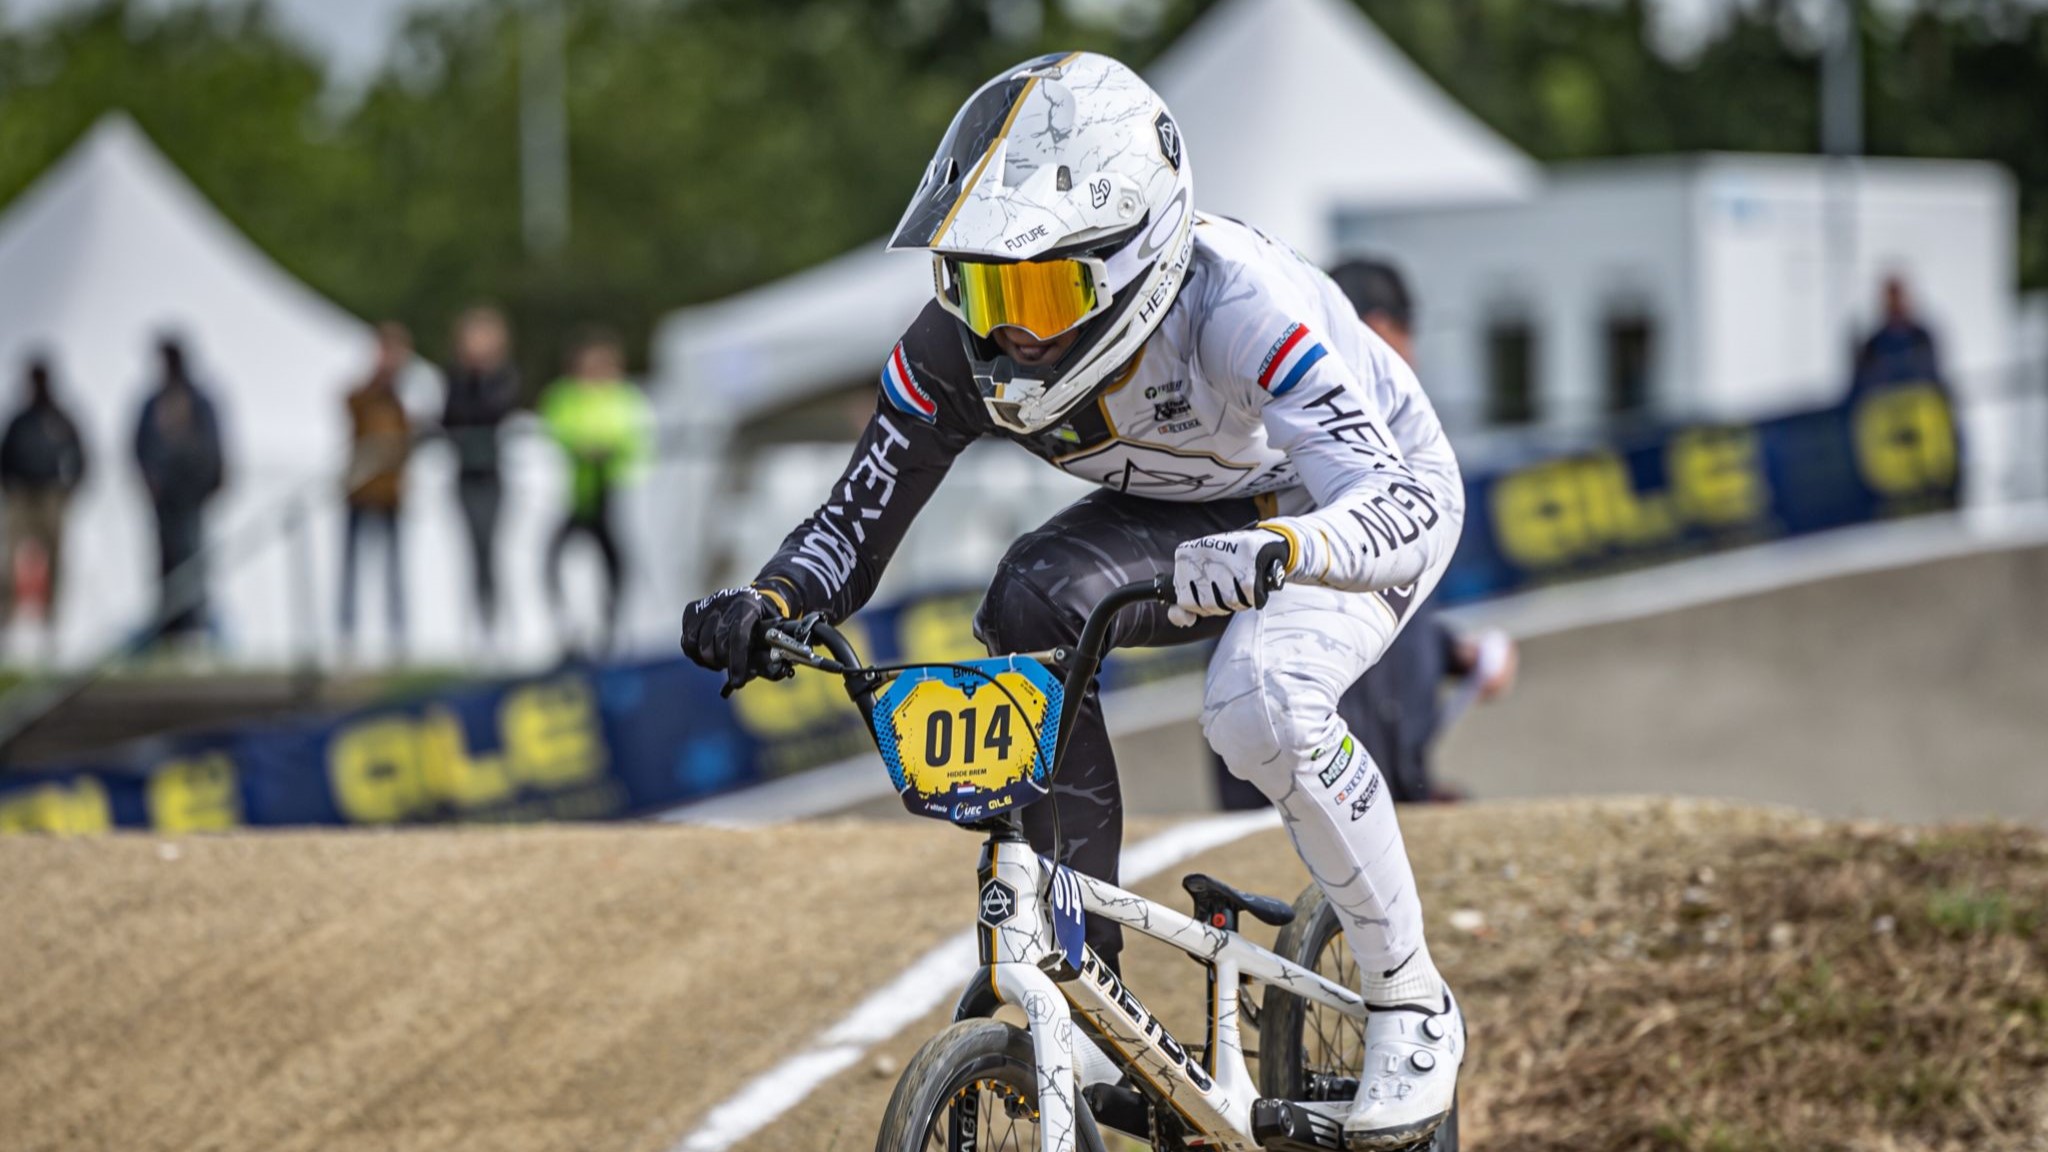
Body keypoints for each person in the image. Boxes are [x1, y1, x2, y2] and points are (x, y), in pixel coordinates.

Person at [682, 54, 1466, 1144]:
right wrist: (771, 600)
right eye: (979, 286)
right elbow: (857, 514)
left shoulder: (1237, 309)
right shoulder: (958, 347)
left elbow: (1395, 500)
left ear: (1132, 262)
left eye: (1037, 291)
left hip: (1349, 503)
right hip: (1193, 514)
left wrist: (1285, 547)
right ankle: (1080, 973)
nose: (1002, 330)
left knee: (1255, 701)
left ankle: (1410, 998)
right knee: (1029, 603)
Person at [1210, 259, 1518, 810]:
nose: (1410, 370)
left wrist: (1457, 654)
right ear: (1374, 333)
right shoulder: (1289, 458)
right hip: (1298, 802)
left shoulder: (1389, 450)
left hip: (1382, 785)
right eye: (1400, 348)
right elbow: (1318, 607)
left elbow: (1383, 597)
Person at [539, 331, 650, 654]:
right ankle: (567, 625)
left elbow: (634, 436)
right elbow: (557, 429)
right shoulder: (564, 395)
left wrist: (608, 450)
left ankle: (613, 624)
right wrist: (582, 447)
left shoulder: (625, 396)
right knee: (558, 560)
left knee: (615, 562)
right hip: (570, 494)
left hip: (611, 491)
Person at [133, 337, 226, 645]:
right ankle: (168, 626)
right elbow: (139, 447)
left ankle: (193, 623)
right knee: (165, 559)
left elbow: (212, 448)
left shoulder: (196, 401)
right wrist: (151, 483)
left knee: (192, 557)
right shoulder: (155, 401)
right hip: (165, 499)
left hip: (192, 496)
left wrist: (209, 483)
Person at [441, 306, 520, 645]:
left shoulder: (504, 377)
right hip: (465, 476)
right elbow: (451, 416)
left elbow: (494, 410)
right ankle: (478, 627)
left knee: (491, 549)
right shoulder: (456, 380)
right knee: (473, 550)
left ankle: (497, 625)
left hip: (492, 476)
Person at [340, 323, 415, 656]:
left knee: (394, 569)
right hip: (360, 490)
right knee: (352, 569)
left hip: (391, 493)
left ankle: (398, 637)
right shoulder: (365, 393)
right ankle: (346, 635)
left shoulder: (408, 395)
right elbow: (351, 407)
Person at [0, 356, 88, 634]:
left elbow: (82, 457)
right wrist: (10, 491)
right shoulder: (20, 420)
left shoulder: (61, 418)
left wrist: (69, 491)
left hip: (52, 496)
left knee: (57, 562)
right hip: (22, 498)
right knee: (11, 560)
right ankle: (6, 621)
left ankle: (54, 625)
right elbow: (4, 458)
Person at [1850, 274, 1945, 398]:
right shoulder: (1872, 345)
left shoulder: (1921, 339)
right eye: (1891, 298)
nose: (1895, 304)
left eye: (1898, 298)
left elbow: (1933, 378)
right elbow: (1860, 387)